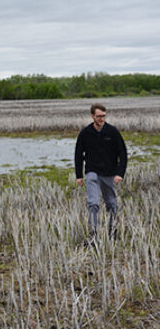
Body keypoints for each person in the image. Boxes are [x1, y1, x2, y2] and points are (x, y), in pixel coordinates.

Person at [75, 103, 127, 242]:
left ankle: (113, 231)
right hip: (92, 172)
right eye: (99, 116)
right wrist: (79, 175)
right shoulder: (85, 133)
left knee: (111, 204)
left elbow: (123, 153)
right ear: (92, 116)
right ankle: (94, 235)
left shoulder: (113, 132)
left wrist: (120, 173)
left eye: (104, 116)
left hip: (109, 173)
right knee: (93, 203)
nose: (102, 119)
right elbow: (78, 154)